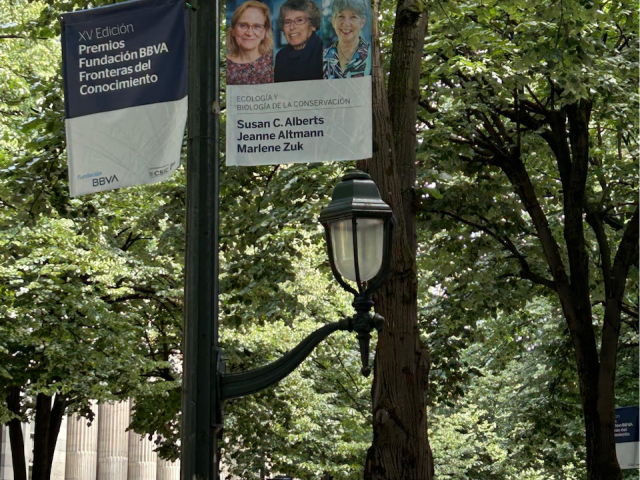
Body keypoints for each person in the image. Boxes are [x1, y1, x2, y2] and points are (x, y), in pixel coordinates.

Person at [274, 0, 323, 82]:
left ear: (313, 25)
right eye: (287, 22)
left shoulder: (325, 53)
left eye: (299, 20)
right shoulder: (281, 56)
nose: (292, 27)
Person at [227, 0, 274, 85]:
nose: (249, 33)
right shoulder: (222, 65)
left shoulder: (274, 64)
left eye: (257, 26)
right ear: (233, 30)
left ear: (264, 32)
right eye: (243, 25)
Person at [323, 0, 371, 79]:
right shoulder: (322, 58)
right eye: (341, 16)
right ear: (333, 21)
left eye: (353, 17)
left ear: (362, 22)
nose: (346, 23)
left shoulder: (371, 55)